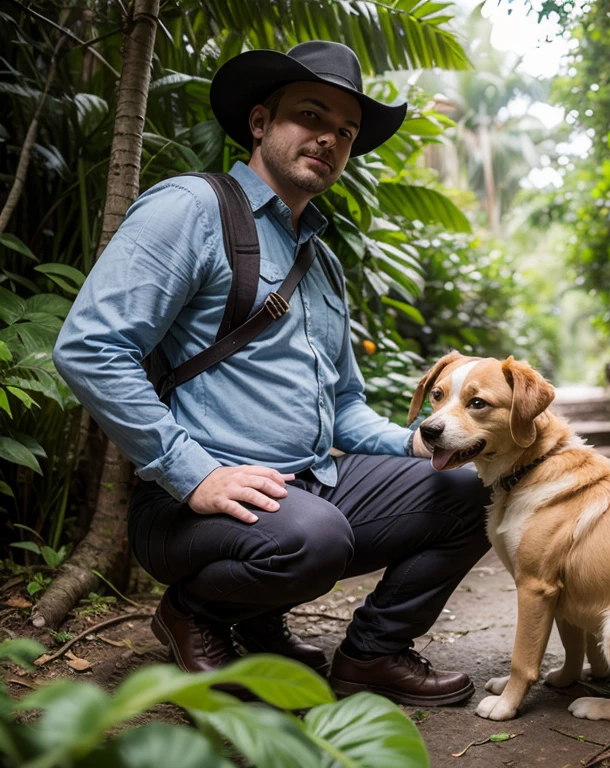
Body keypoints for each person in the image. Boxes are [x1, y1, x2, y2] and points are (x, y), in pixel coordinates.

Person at [53, 40, 490, 706]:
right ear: (260, 122)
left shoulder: (322, 263)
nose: (329, 138)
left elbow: (343, 403)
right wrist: (192, 473)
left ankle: (370, 655)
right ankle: (194, 613)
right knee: (312, 538)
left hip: (309, 481)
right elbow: (90, 347)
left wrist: (419, 443)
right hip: (189, 506)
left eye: (344, 131)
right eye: (310, 116)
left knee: (473, 488)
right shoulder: (191, 209)